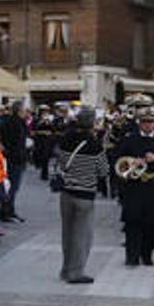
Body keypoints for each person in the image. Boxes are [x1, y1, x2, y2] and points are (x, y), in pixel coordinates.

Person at [55, 108, 109, 284]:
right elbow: (103, 171)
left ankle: (65, 269)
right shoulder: (95, 145)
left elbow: (61, 161)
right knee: (82, 235)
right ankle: (76, 272)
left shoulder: (66, 139)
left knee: (67, 233)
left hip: (66, 192)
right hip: (85, 194)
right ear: (92, 123)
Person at [114, 106, 154, 267]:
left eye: (150, 122)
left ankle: (147, 254)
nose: (147, 125)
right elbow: (118, 159)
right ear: (139, 123)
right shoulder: (129, 139)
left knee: (151, 223)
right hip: (134, 186)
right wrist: (131, 162)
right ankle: (132, 256)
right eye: (144, 122)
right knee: (132, 221)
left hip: (152, 185)